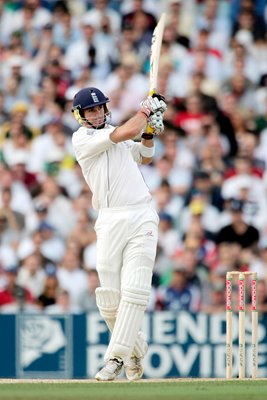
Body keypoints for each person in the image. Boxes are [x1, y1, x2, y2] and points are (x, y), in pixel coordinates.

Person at [71, 86, 167, 381]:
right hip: (109, 220)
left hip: (141, 215)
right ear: (80, 115)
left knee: (136, 289)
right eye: (91, 110)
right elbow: (125, 133)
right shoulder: (83, 139)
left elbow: (145, 155)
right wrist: (146, 111)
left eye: (100, 108)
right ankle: (135, 349)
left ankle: (114, 358)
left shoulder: (118, 135)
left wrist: (149, 130)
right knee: (109, 299)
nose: (98, 113)